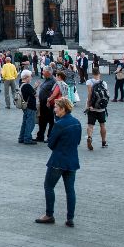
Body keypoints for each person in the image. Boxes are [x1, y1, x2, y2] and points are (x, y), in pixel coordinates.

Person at [36, 97, 81, 227]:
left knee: (49, 186)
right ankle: (70, 218)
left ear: (63, 109)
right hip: (72, 160)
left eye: (56, 107)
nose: (54, 109)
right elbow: (77, 141)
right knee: (70, 190)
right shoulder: (77, 122)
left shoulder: (59, 124)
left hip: (58, 160)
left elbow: (51, 143)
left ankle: (49, 215)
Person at [84, 68, 109, 150]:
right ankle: (104, 142)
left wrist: (88, 105)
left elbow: (90, 94)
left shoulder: (89, 82)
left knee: (90, 125)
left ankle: (90, 137)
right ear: (99, 74)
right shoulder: (104, 83)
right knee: (102, 124)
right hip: (101, 107)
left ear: (92, 74)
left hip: (92, 107)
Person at [35, 68, 57, 142]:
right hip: (42, 104)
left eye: (44, 71)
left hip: (49, 104)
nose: (42, 72)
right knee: (42, 120)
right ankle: (40, 136)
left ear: (49, 72)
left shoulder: (53, 81)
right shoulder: (46, 79)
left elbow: (54, 93)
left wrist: (49, 100)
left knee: (51, 121)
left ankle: (50, 137)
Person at [18, 70, 37, 145]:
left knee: (25, 122)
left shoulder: (21, 84)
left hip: (24, 106)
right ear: (26, 77)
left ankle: (21, 137)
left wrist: (34, 87)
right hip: (30, 106)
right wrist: (35, 88)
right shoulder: (27, 85)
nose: (31, 78)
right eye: (30, 76)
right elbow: (34, 94)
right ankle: (27, 138)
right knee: (30, 122)